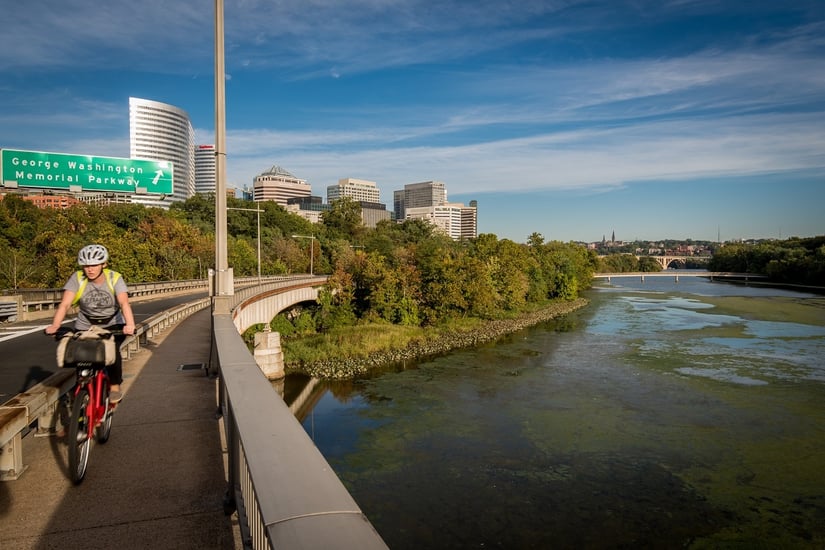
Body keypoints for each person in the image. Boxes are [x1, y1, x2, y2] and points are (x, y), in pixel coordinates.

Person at [45, 244, 136, 403]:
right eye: (86, 265)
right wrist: (55, 325)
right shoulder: (77, 278)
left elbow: (124, 304)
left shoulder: (114, 278)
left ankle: (114, 386)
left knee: (112, 352)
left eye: (94, 265)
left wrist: (130, 325)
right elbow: (65, 304)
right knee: (80, 358)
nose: (90, 269)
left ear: (104, 264)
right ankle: (82, 393)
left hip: (112, 324)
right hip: (85, 325)